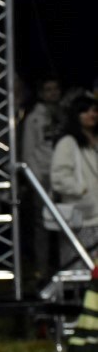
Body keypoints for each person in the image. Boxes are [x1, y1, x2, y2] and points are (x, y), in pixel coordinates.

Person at [22, 76, 64, 279]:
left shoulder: (65, 115)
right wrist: (36, 181)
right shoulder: (34, 118)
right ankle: (42, 269)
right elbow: (28, 151)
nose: (53, 93)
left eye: (55, 89)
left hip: (64, 175)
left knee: (67, 221)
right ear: (41, 93)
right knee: (43, 225)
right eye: (48, 89)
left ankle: (66, 264)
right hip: (43, 177)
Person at [50, 94, 98, 267]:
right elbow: (59, 178)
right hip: (81, 216)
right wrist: (82, 190)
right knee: (79, 268)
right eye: (85, 111)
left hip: (95, 216)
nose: (91, 114)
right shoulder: (68, 142)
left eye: (94, 110)